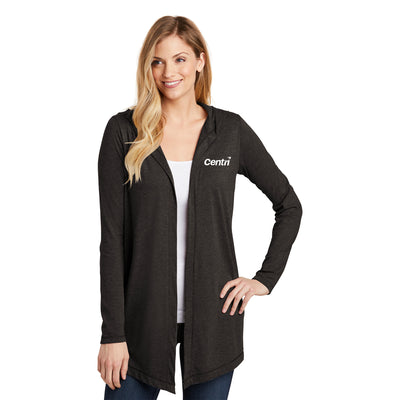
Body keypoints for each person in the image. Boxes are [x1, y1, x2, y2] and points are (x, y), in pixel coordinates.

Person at [97, 15, 302, 400]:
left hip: (214, 322)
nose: (168, 72)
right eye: (157, 62)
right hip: (139, 323)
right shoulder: (124, 132)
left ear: (200, 61)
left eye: (180, 59)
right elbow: (112, 241)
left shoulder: (229, 132)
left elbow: (289, 205)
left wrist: (264, 278)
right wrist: (112, 335)